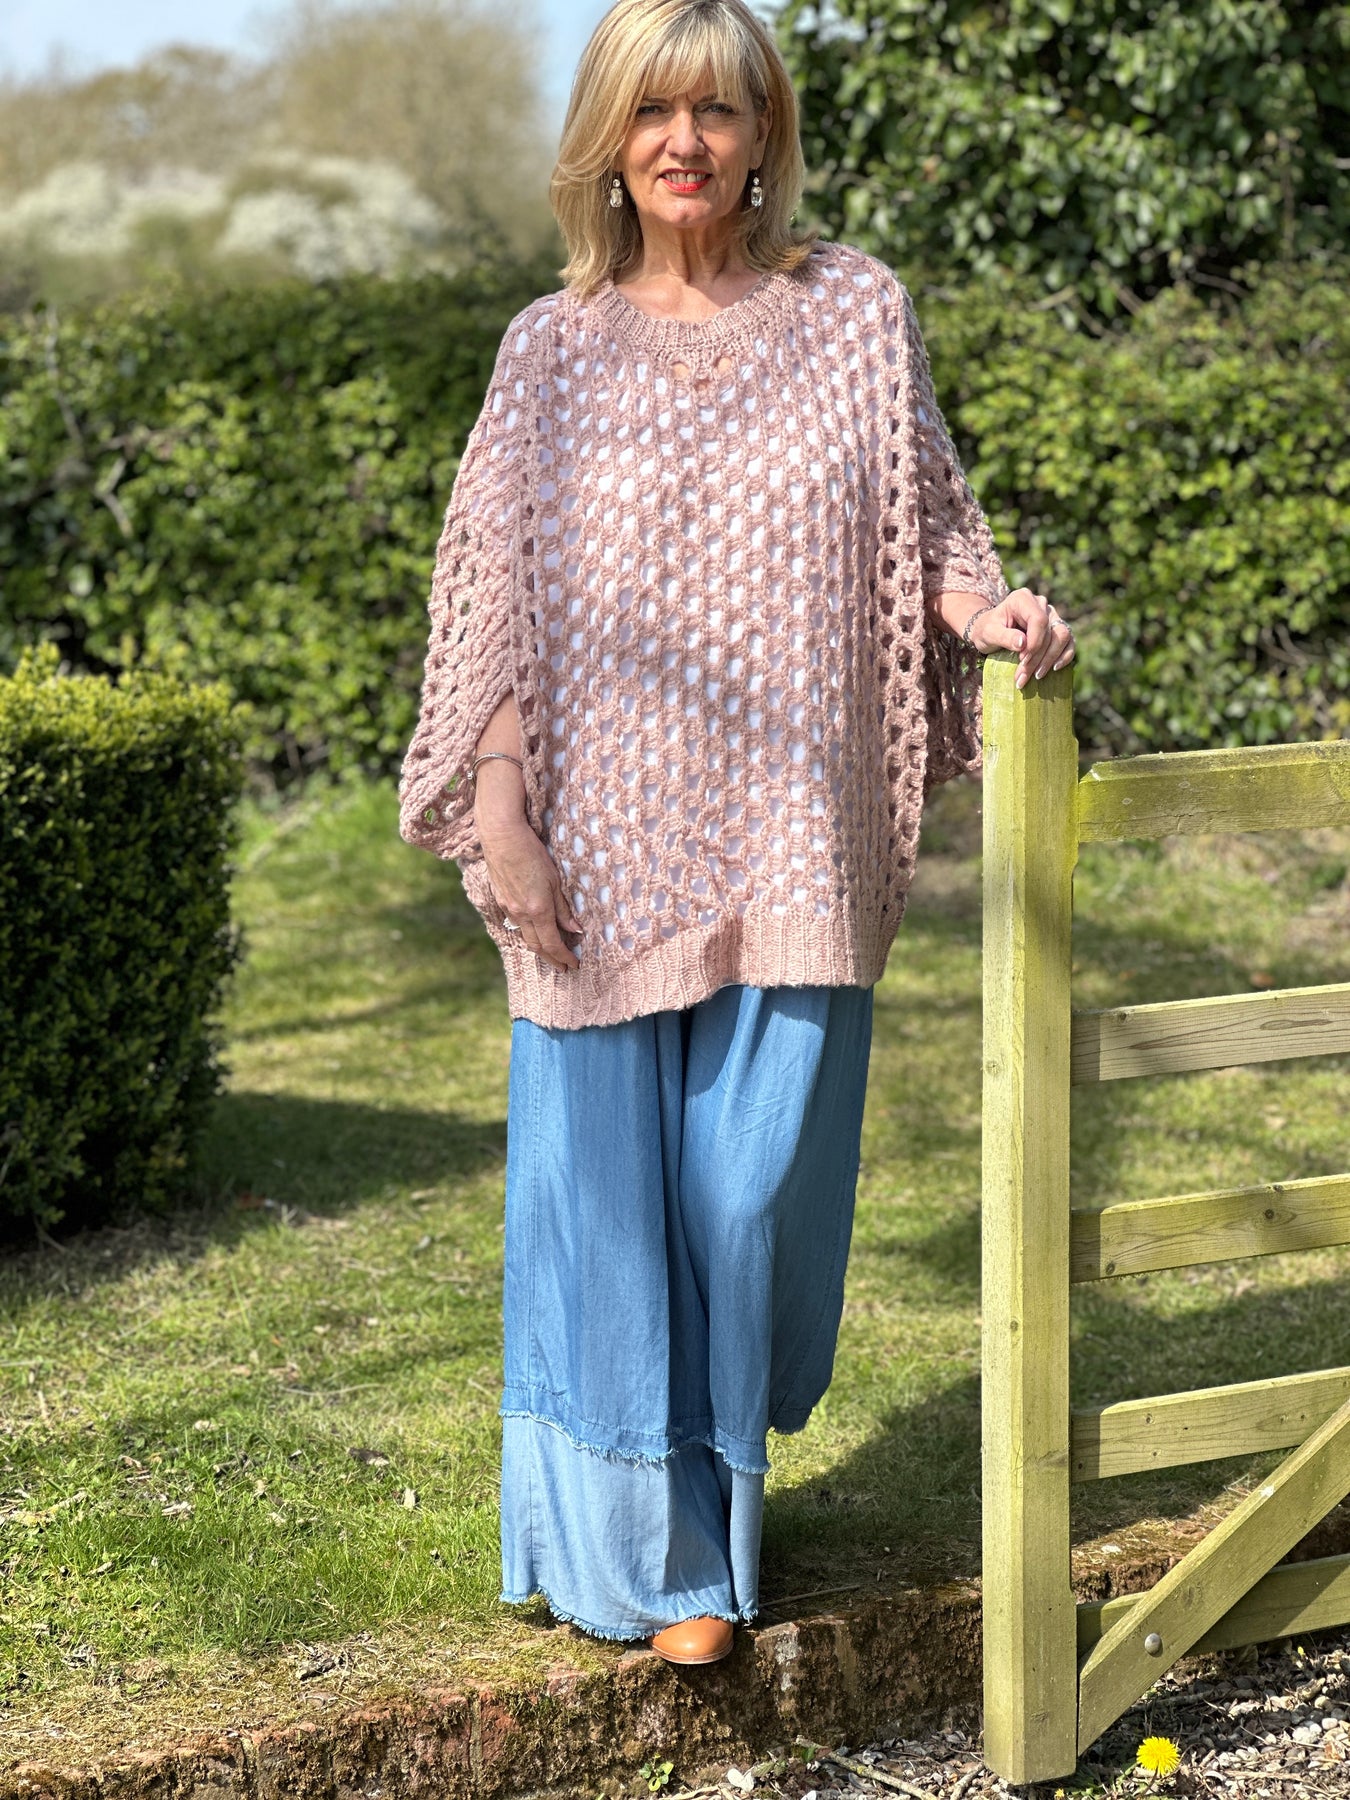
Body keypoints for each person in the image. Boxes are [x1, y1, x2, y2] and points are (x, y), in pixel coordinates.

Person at [399, 0, 1074, 1667]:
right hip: (594, 841)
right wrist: (504, 816)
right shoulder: (548, 352)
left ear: (765, 132)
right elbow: (491, 614)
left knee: (744, 1196)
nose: (684, 142)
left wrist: (982, 612)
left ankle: (710, 1489)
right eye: (653, 112)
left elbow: (925, 517)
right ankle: (655, 1559)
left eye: (717, 110)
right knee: (608, 1215)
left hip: (794, 832)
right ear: (607, 140)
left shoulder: (851, 311)